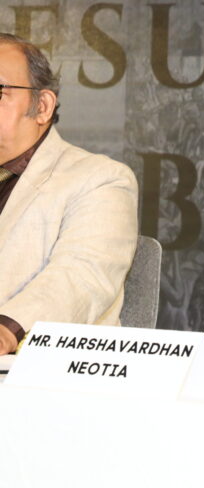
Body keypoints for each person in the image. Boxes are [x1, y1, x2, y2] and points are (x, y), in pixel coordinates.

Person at [0, 33, 138, 354]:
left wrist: (7, 329)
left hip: (39, 371)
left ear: (42, 106)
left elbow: (81, 275)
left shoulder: (101, 180)